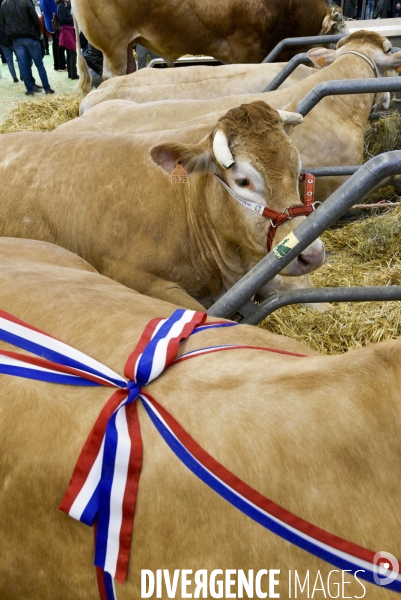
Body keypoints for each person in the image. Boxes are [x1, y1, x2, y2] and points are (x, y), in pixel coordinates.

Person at [0, 0, 54, 95]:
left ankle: (30, 90)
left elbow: (3, 22)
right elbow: (35, 19)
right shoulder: (25, 2)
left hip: (15, 38)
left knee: (23, 65)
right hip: (30, 36)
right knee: (39, 65)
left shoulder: (4, 4)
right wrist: (37, 34)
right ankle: (47, 88)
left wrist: (9, 35)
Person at [56, 0, 77, 79]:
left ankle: (71, 73)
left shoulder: (63, 6)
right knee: (72, 53)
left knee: (69, 53)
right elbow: (62, 20)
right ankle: (73, 73)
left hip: (67, 31)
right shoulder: (61, 6)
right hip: (67, 32)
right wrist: (72, 17)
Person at [0, 0, 18, 80]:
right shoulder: (8, 12)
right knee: (20, 57)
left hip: (2, 40)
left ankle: (14, 77)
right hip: (11, 37)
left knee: (9, 59)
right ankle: (22, 75)